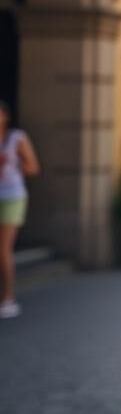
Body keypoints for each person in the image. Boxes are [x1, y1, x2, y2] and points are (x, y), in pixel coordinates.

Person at [0, 100, 39, 320]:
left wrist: (11, 163)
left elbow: (33, 167)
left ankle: (8, 298)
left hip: (12, 196)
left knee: (3, 249)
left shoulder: (16, 138)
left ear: (5, 116)